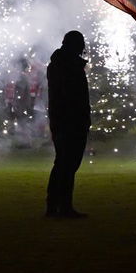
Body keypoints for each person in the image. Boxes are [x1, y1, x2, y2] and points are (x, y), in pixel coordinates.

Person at [45, 30, 90, 219]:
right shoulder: (67, 65)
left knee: (63, 163)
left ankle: (55, 205)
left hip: (64, 121)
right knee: (67, 164)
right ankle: (62, 206)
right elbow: (70, 96)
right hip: (70, 121)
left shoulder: (60, 63)